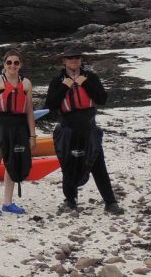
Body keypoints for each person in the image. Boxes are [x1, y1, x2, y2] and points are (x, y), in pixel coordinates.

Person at [45, 46, 125, 215]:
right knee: (68, 164)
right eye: (70, 58)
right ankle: (70, 201)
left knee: (98, 163)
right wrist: (65, 87)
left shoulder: (91, 78)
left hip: (88, 127)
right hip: (68, 128)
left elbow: (102, 98)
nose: (74, 60)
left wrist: (86, 84)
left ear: (81, 60)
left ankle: (110, 202)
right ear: (64, 61)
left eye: (77, 58)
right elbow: (51, 104)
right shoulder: (57, 80)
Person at [0, 49, 36, 216]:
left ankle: (7, 203)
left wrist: (32, 135)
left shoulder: (26, 83)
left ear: (21, 65)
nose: (12, 65)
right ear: (4, 64)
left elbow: (29, 112)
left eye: (16, 63)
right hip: (0, 126)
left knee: (12, 164)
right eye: (9, 62)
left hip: (18, 128)